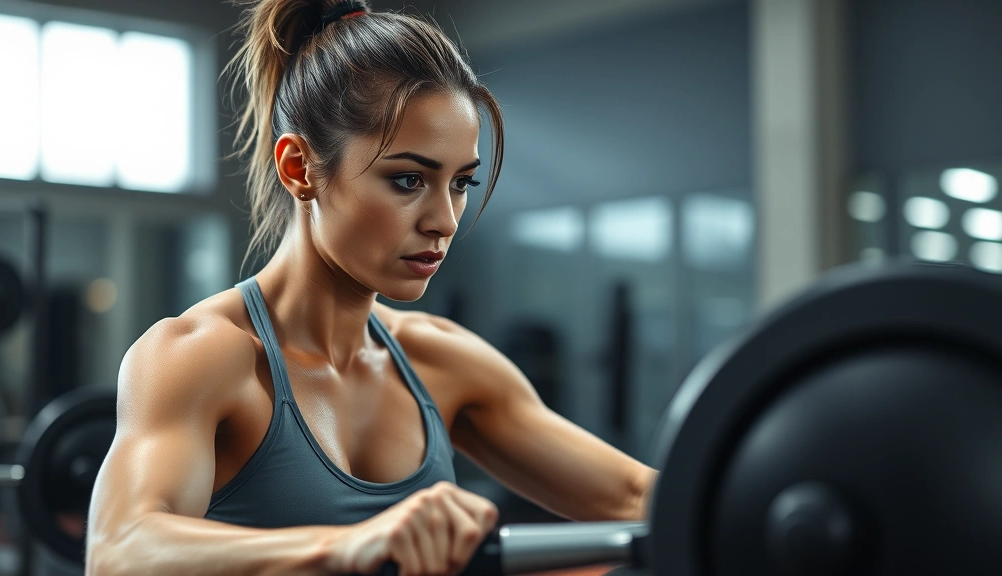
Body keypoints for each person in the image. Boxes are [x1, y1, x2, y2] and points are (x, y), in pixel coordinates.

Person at [86, 1, 658, 574]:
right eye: (408, 179)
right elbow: (119, 551)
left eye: (459, 183)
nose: (445, 220)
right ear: (299, 168)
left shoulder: (445, 363)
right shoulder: (201, 356)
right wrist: (346, 546)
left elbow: (642, 498)